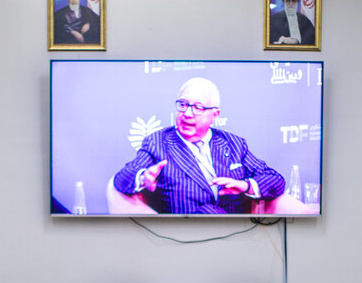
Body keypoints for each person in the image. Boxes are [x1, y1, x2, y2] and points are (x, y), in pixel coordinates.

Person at [113, 77, 285, 214]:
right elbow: (122, 178)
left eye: (198, 108)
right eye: (183, 105)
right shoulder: (157, 143)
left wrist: (246, 185)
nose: (187, 113)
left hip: (236, 233)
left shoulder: (234, 144)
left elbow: (275, 180)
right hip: (184, 235)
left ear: (215, 115)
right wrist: (143, 178)